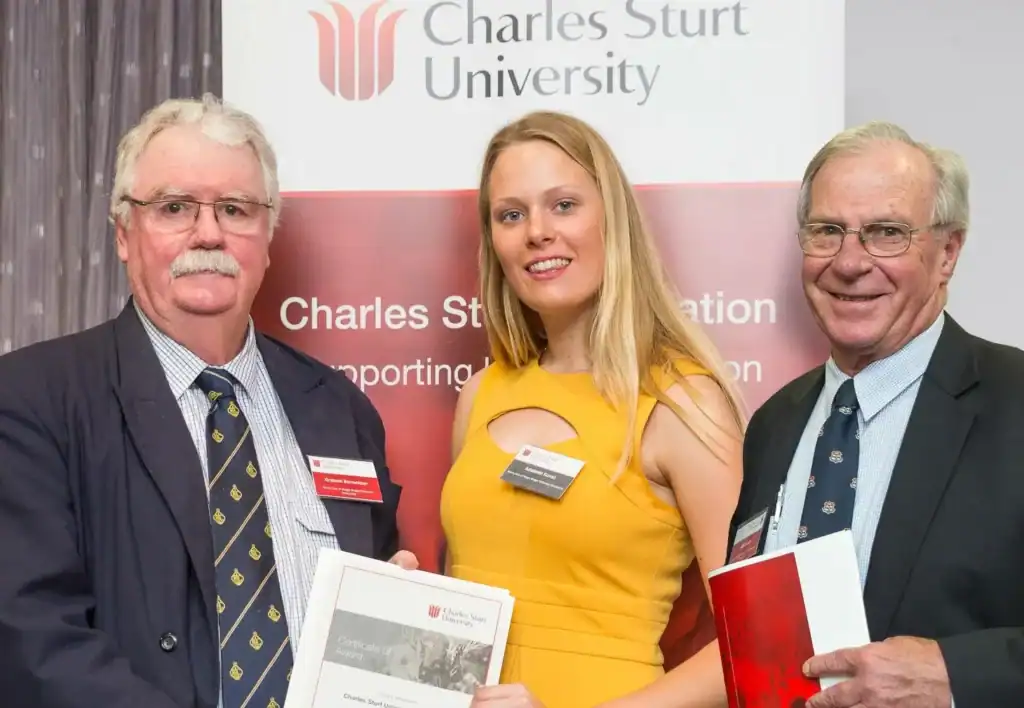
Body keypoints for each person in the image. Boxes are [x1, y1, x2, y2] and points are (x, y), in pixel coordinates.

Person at [0, 94, 415, 708]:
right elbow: (33, 642)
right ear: (124, 234)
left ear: (267, 239)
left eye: (235, 209)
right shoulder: (31, 401)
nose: (209, 233)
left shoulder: (340, 410)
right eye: (174, 207)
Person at [440, 110, 747, 708]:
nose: (537, 232)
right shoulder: (480, 395)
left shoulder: (682, 403)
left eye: (563, 205)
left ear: (613, 218)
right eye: (511, 215)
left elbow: (751, 641)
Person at [729, 121, 1024, 708]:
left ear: (947, 253)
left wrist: (955, 676)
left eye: (887, 233)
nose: (849, 262)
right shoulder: (773, 425)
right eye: (827, 231)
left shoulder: (1015, 403)